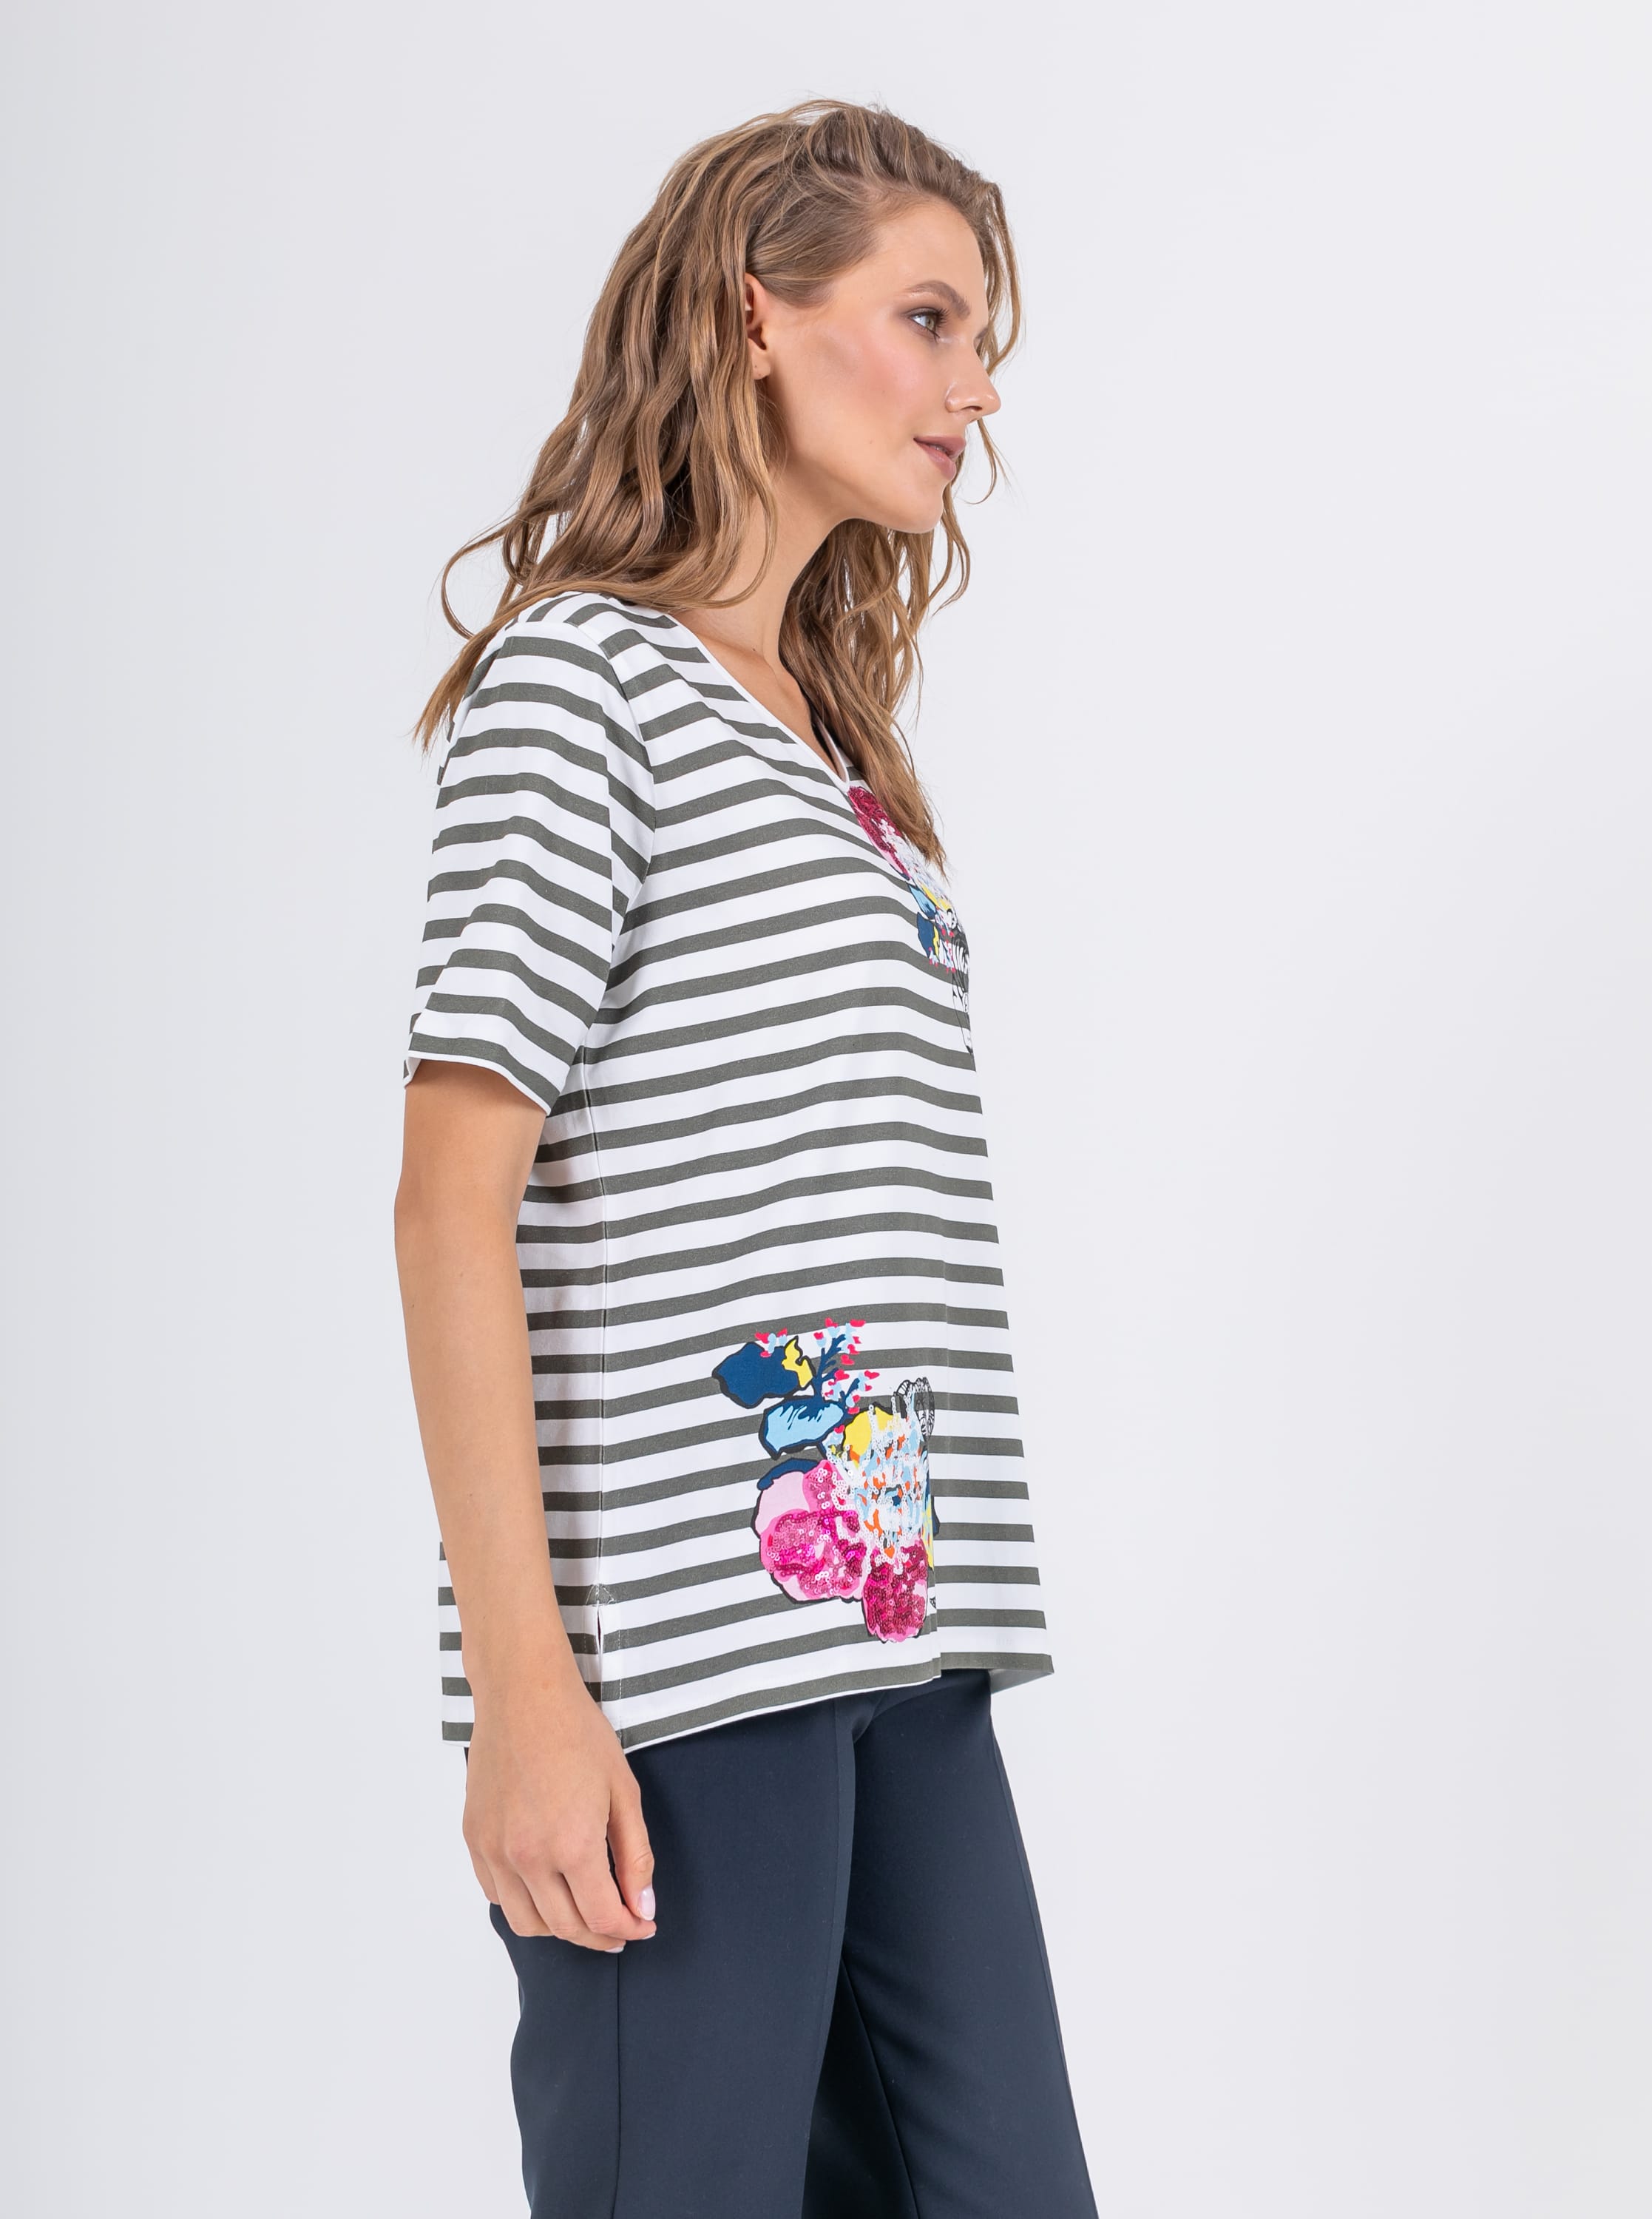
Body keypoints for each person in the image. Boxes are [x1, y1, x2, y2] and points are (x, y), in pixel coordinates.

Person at [393, 98, 1097, 2219]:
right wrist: (528, 1694)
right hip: (680, 1666)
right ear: (753, 317)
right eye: (930, 318)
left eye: (983, 337)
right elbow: (450, 1198)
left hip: (902, 1631)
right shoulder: (581, 681)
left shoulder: (835, 741)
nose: (978, 388)